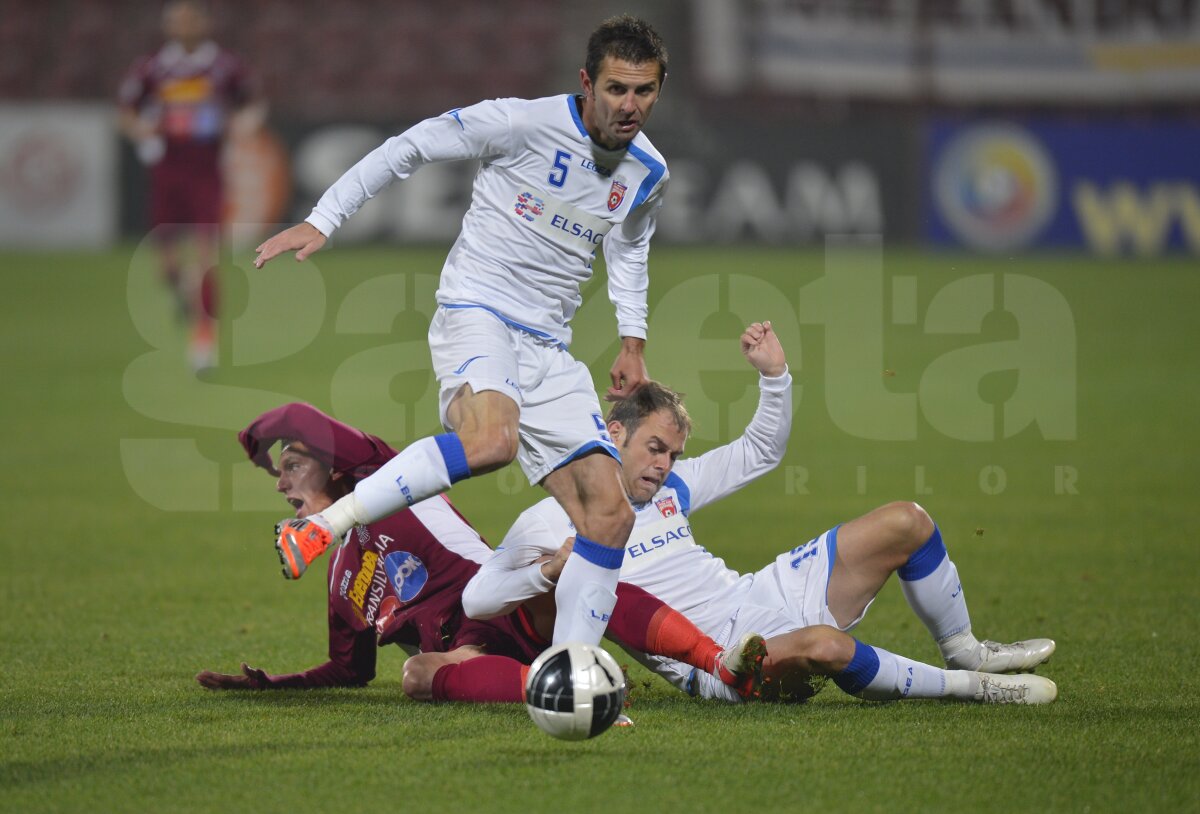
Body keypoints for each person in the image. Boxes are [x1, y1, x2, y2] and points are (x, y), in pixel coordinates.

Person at [251, 16, 671, 651]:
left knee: (610, 516)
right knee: (492, 440)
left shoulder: (648, 172)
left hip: (548, 347)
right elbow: (412, 145)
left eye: (644, 91)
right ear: (587, 83)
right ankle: (323, 526)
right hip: (479, 311)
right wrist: (323, 218)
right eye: (616, 89)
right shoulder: (519, 122)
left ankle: (573, 671)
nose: (629, 105)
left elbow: (631, 247)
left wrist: (632, 341)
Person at [462, 322, 1059, 705]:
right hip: (720, 655)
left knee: (908, 521)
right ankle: (972, 687)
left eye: (673, 455)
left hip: (762, 593)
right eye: (655, 448)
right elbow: (478, 599)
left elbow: (759, 451)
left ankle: (965, 650)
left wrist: (775, 377)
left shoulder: (672, 489)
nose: (664, 465)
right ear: (613, 434)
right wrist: (549, 570)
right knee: (826, 646)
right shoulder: (554, 518)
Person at [196, 403, 766, 703]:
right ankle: (559, 690)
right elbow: (349, 671)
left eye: (293, 464)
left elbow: (304, 418)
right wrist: (274, 686)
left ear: (333, 466)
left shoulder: (387, 481)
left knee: (579, 566)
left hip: (506, 604)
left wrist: (267, 428)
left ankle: (718, 660)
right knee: (416, 676)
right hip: (467, 653)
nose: (282, 482)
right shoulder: (340, 582)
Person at [117, 0, 264, 370]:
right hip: (167, 170)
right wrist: (140, 130)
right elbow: (126, 111)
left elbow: (252, 104)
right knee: (166, 264)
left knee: (206, 256)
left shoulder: (224, 66)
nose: (182, 25)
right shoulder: (153, 67)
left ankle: (204, 339)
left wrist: (243, 126)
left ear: (204, 22)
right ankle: (180, 288)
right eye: (176, 19)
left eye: (189, 18)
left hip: (206, 171)